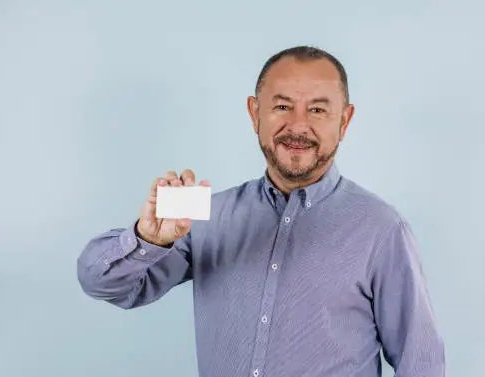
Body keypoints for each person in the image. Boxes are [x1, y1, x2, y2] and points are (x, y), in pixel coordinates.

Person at [77, 45, 446, 377]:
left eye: (317, 109)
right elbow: (105, 285)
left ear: (344, 121)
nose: (298, 126)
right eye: (282, 106)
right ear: (255, 113)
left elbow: (422, 364)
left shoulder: (381, 229)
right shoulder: (205, 218)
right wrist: (148, 239)